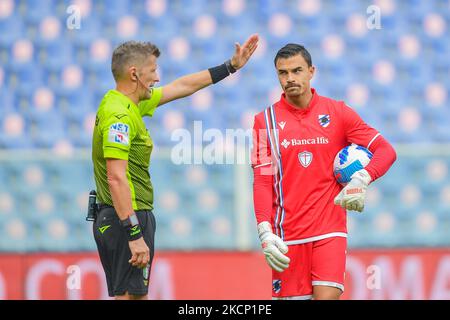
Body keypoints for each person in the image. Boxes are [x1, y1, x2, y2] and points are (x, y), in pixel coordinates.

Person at [91, 35, 259, 300]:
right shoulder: (119, 116)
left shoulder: (129, 103)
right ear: (134, 74)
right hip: (125, 218)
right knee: (127, 297)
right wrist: (133, 233)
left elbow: (183, 86)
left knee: (135, 297)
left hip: (129, 216)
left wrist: (230, 67)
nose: (157, 78)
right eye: (153, 71)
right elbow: (116, 178)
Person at [251, 43, 397, 300]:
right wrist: (264, 230)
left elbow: (386, 150)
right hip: (287, 236)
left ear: (311, 71)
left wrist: (362, 178)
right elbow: (263, 181)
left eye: (297, 71)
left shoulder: (338, 113)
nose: (290, 78)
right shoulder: (265, 121)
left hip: (329, 230)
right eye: (283, 73)